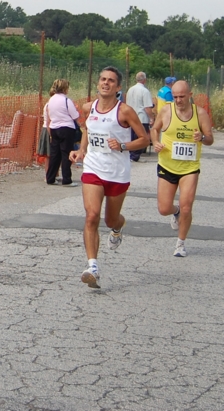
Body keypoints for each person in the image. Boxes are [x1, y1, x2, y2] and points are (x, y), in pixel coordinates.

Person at [69, 66, 149, 289]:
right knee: (91, 215)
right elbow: (87, 130)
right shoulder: (88, 107)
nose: (106, 83)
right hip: (93, 169)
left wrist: (123, 145)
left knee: (110, 219)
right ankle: (92, 266)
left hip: (117, 173)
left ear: (118, 87)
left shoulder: (125, 112)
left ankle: (118, 226)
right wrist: (81, 150)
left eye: (111, 81)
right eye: (103, 79)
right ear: (98, 84)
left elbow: (145, 139)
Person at [151, 80, 214, 257]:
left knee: (187, 207)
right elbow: (155, 129)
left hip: (189, 167)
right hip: (167, 165)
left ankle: (180, 243)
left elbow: (210, 139)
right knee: (164, 209)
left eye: (182, 97)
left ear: (190, 96)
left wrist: (202, 137)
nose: (178, 100)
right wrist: (156, 142)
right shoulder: (166, 110)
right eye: (175, 97)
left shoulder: (200, 113)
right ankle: (175, 211)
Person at [46, 78, 80, 187]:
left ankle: (50, 178)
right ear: (65, 88)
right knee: (66, 153)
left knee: (55, 154)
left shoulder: (51, 100)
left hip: (54, 128)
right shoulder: (66, 100)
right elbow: (75, 116)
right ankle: (67, 179)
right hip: (66, 128)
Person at [125, 72, 154, 162]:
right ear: (144, 80)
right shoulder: (145, 91)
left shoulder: (130, 89)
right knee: (141, 137)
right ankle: (135, 156)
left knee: (132, 137)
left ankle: (130, 155)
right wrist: (151, 118)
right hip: (141, 117)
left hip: (130, 117)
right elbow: (147, 107)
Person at [37, 88, 61, 180]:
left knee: (55, 154)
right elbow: (49, 121)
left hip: (53, 129)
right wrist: (51, 134)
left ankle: (55, 174)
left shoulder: (54, 105)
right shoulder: (49, 105)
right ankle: (48, 175)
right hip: (49, 130)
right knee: (48, 155)